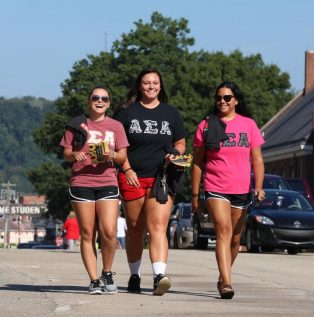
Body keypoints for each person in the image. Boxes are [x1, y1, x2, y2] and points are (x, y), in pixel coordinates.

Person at [113, 68, 187, 296]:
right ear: (139, 86)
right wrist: (126, 169)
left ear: (160, 86)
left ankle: (158, 276)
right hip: (132, 177)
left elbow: (181, 143)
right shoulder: (126, 114)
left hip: (161, 178)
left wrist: (174, 154)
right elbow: (116, 147)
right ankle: (134, 275)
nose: (151, 86)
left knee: (158, 227)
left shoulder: (171, 113)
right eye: (146, 83)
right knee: (135, 229)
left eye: (155, 83)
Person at [191, 81, 265, 300]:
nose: (222, 101)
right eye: (218, 98)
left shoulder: (249, 125)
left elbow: (258, 159)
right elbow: (197, 163)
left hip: (241, 188)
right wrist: (196, 195)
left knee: (235, 239)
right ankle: (227, 284)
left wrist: (259, 187)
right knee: (223, 232)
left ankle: (223, 276)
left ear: (236, 101)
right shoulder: (206, 125)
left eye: (227, 98)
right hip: (215, 187)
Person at [60, 86, 128, 295]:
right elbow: (66, 153)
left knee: (108, 231)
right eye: (95, 98)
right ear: (89, 101)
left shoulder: (116, 126)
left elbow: (122, 157)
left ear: (109, 102)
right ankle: (93, 279)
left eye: (104, 98)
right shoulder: (76, 124)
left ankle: (107, 272)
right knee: (88, 232)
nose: (100, 101)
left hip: (107, 181)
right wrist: (75, 156)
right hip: (82, 182)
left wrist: (111, 155)